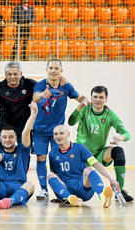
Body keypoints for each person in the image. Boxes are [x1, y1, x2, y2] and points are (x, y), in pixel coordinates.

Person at [32, 59, 86, 200]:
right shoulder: (40, 85)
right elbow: (35, 97)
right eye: (51, 68)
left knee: (60, 160)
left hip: (57, 132)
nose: (53, 70)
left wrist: (90, 103)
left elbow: (78, 97)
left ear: (61, 71)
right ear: (46, 70)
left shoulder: (66, 86)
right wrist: (42, 94)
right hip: (40, 130)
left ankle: (63, 189)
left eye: (56, 68)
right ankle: (43, 189)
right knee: (41, 157)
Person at [68, 86, 133, 202]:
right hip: (81, 154)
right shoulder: (85, 109)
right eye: (95, 97)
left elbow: (127, 134)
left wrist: (120, 137)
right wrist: (80, 106)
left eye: (101, 97)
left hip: (98, 154)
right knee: (78, 184)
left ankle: (120, 190)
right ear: (91, 98)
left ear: (106, 99)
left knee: (118, 152)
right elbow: (71, 122)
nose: (98, 100)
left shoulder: (110, 115)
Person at [47, 125, 120, 208]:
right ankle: (70, 198)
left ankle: (102, 195)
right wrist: (59, 195)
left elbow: (96, 164)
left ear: (68, 134)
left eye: (61, 133)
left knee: (88, 169)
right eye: (55, 134)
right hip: (67, 189)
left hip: (82, 188)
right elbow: (54, 176)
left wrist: (111, 179)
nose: (58, 136)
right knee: (50, 175)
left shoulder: (79, 148)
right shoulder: (52, 153)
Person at [0, 62, 36, 141]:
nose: (12, 77)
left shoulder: (29, 84)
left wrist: (60, 79)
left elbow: (45, 86)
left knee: (24, 152)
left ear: (20, 74)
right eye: (9, 74)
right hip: (4, 125)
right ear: (5, 75)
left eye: (15, 74)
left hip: (23, 126)